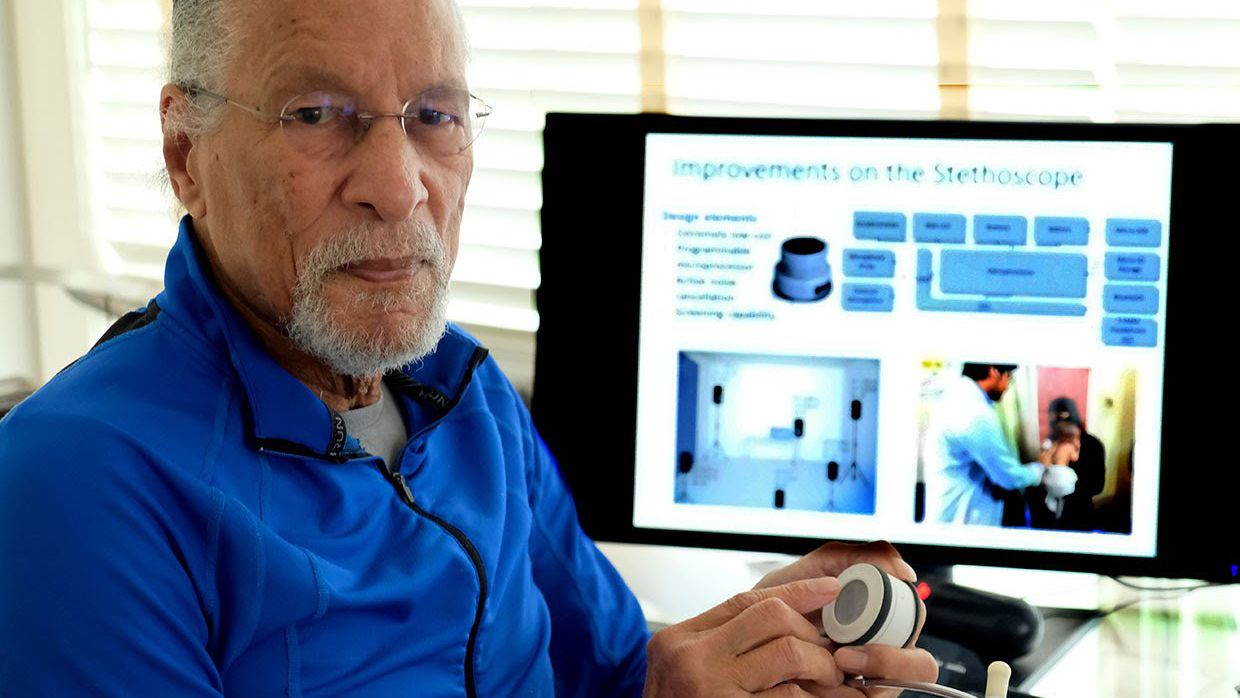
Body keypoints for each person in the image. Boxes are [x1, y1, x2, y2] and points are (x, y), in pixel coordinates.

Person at [0, 0, 937, 695]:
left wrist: (755, 647)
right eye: (316, 114)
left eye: (434, 116)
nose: (399, 187)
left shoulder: (467, 397)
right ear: (183, 153)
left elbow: (612, 673)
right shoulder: (75, 481)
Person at [924, 363, 1076, 526]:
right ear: (994, 371)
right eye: (1009, 377)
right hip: (960, 522)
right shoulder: (974, 413)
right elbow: (1008, 477)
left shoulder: (958, 401)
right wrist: (1040, 467)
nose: (1007, 386)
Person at [1026, 397, 1106, 531]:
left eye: (1063, 417)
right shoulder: (1050, 441)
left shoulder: (1093, 444)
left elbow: (1098, 485)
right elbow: (1040, 474)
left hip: (1078, 512)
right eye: (1055, 419)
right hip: (1048, 513)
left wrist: (1066, 489)